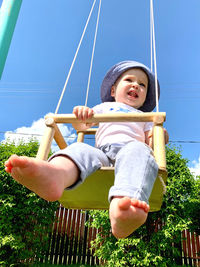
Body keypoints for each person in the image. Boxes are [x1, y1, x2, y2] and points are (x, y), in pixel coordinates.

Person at [5, 60, 168, 239]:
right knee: (80, 149)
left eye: (142, 84)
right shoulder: (104, 107)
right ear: (113, 91)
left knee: (140, 151)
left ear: (145, 96)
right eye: (129, 80)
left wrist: (158, 136)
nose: (136, 85)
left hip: (131, 153)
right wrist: (81, 114)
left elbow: (150, 142)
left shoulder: (145, 117)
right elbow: (82, 126)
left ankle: (125, 207)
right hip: (102, 155)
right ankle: (56, 174)